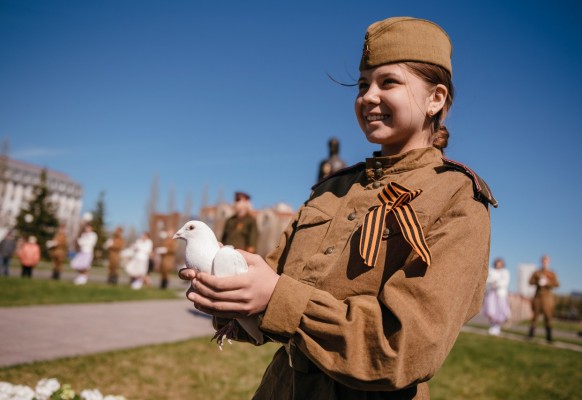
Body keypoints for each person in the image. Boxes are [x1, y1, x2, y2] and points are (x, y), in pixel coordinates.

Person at [180, 16, 497, 399]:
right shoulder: (332, 189)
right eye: (363, 85)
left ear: (436, 99)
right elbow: (269, 294)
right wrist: (226, 285)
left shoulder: (457, 197)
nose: (368, 96)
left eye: (389, 82)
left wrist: (277, 299)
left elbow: (406, 348)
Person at [528, 254, 559, 342]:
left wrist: (547, 283)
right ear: (541, 261)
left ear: (549, 262)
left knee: (548, 316)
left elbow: (556, 284)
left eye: (546, 260)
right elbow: (530, 281)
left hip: (547, 297)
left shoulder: (552, 273)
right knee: (535, 316)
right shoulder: (537, 272)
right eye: (543, 260)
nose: (544, 262)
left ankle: (549, 337)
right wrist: (538, 282)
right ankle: (531, 335)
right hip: (538, 297)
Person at [483, 257, 511, 335]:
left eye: (500, 263)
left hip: (500, 294)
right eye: (497, 263)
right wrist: (492, 283)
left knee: (500, 310)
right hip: (491, 294)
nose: (498, 265)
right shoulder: (491, 271)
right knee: (491, 310)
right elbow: (488, 280)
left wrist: (497, 283)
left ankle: (497, 327)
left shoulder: (505, 272)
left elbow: (505, 282)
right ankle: (492, 326)